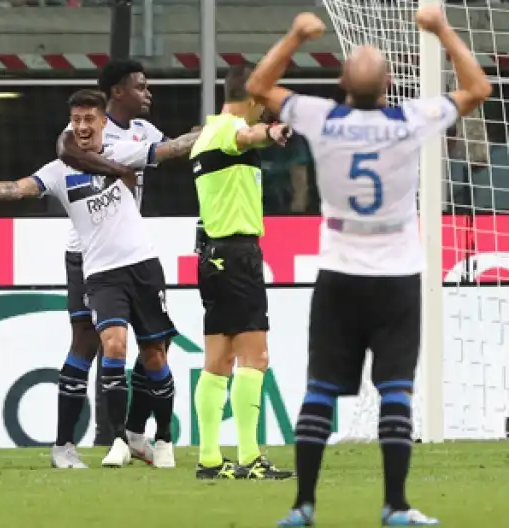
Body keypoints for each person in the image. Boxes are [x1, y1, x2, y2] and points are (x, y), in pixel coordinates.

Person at [245, 8, 490, 526]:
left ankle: (303, 506)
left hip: (339, 274)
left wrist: (296, 35)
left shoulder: (321, 117)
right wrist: (441, 30)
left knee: (320, 390)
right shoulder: (410, 120)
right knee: (396, 389)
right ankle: (395, 505)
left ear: (340, 83)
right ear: (390, 85)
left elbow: (258, 86)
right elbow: (478, 88)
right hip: (397, 276)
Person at [0, 89, 200, 468]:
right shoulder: (60, 169)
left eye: (89, 119)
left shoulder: (121, 152)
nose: (82, 126)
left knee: (155, 350)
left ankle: (152, 438)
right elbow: (18, 188)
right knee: (103, 345)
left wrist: (215, 131)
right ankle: (96, 441)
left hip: (141, 264)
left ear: (104, 122)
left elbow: (170, 150)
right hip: (95, 268)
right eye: (76, 121)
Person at [54, 60, 173, 466]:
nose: (148, 93)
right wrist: (118, 169)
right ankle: (65, 443)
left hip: (129, 251)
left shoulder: (143, 131)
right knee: (89, 343)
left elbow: (172, 147)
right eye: (141, 86)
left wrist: (218, 130)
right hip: (87, 253)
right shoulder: (81, 130)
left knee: (157, 342)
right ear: (117, 92)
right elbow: (64, 151)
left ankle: (134, 431)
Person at [189, 64, 294, 481]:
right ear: (252, 97)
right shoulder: (229, 129)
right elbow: (247, 136)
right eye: (263, 100)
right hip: (236, 256)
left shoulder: (206, 134)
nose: (266, 108)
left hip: (213, 255)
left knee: (218, 360)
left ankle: (210, 459)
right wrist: (272, 132)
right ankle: (250, 458)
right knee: (255, 357)